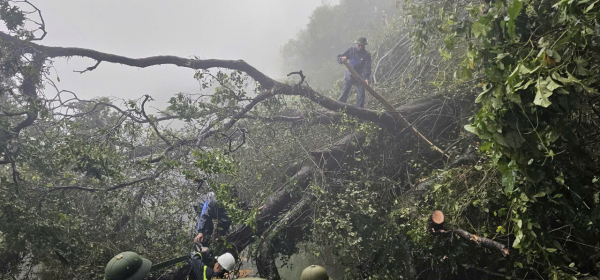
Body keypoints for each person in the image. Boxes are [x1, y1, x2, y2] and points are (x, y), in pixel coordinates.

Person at [337, 36, 372, 108]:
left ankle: (359, 111)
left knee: (361, 95)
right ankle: (339, 108)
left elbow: (367, 68)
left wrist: (366, 78)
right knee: (344, 94)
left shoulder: (366, 54)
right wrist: (342, 59)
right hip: (349, 76)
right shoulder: (351, 50)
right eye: (358, 44)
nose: (359, 46)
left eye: (361, 45)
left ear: (364, 45)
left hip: (359, 78)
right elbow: (339, 57)